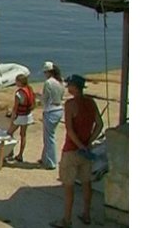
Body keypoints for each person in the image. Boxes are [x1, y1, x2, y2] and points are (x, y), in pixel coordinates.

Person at [50, 74, 104, 228]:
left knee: (69, 186)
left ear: (74, 87)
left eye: (69, 85)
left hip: (72, 150)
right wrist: (89, 141)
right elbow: (99, 124)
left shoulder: (70, 104)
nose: (67, 87)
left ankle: (67, 220)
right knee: (87, 183)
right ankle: (86, 214)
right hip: (86, 150)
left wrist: (80, 144)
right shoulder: (91, 102)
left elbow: (70, 129)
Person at [39, 61, 65, 170]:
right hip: (59, 109)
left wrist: (41, 103)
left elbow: (45, 98)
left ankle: (51, 162)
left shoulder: (48, 83)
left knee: (49, 137)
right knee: (49, 136)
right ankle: (45, 158)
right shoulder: (60, 81)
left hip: (50, 111)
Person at [6, 74, 35, 163]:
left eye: (16, 81)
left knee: (9, 133)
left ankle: (10, 153)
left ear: (20, 82)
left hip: (20, 116)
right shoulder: (29, 89)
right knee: (23, 135)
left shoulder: (19, 93)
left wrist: (12, 117)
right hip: (27, 116)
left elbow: (15, 107)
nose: (15, 82)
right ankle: (20, 155)